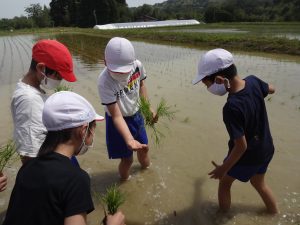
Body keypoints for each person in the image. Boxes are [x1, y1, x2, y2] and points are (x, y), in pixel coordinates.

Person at [3, 91, 125, 225]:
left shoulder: (27, 168)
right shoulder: (76, 179)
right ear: (83, 130)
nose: (92, 135)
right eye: (93, 128)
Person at [192, 48, 278, 214]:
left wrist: (223, 168)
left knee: (224, 183)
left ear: (218, 79)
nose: (207, 87)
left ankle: (221, 217)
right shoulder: (253, 81)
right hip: (266, 149)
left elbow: (241, 146)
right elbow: (272, 89)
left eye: (206, 83)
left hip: (248, 156)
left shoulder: (231, 107)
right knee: (259, 184)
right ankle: (274, 214)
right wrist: (261, 90)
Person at [11, 39, 79, 165]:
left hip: (55, 156)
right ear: (41, 68)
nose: (60, 80)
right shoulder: (29, 101)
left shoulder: (35, 88)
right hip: (47, 166)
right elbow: (29, 155)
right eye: (58, 76)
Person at [98, 37, 157, 180]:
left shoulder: (137, 66)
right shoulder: (104, 82)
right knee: (127, 159)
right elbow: (116, 115)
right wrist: (129, 139)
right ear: (106, 63)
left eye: (125, 71)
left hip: (136, 116)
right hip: (117, 121)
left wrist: (147, 107)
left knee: (144, 150)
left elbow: (142, 85)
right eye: (117, 71)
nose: (121, 74)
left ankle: (147, 174)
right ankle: (125, 182)